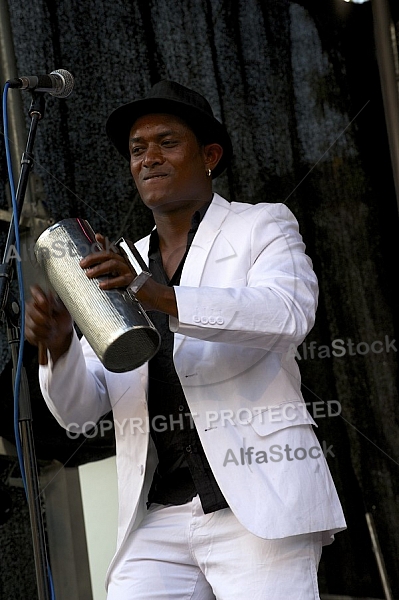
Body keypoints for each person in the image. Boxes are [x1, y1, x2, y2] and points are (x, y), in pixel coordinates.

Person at [25, 80, 346, 599]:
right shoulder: (123, 262)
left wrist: (157, 296)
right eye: (136, 149)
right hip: (156, 516)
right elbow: (79, 413)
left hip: (255, 504)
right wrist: (59, 349)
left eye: (166, 142)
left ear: (210, 156)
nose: (148, 157)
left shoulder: (261, 224)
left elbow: (287, 314)